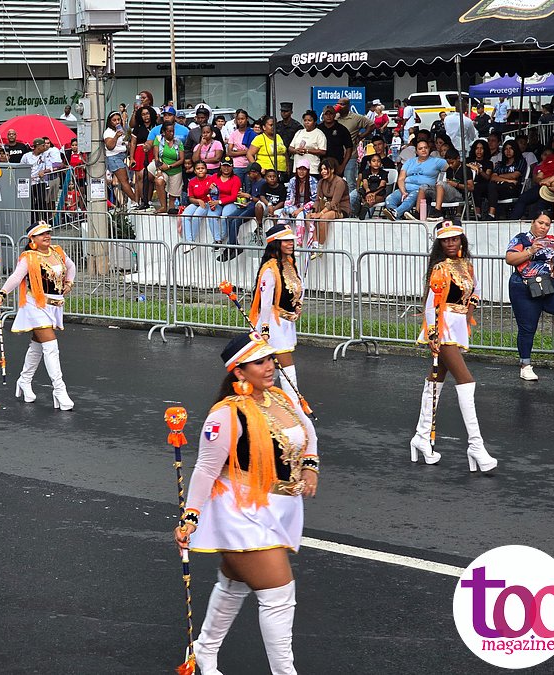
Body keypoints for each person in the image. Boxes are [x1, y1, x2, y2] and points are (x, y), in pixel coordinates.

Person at [174, 330, 318, 675]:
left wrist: (310, 466)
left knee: (233, 584)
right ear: (239, 371)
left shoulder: (280, 398)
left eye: (270, 359)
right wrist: (190, 517)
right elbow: (206, 469)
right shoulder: (226, 415)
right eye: (259, 362)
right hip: (241, 512)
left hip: (280, 508)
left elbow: (308, 432)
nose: (269, 367)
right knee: (278, 595)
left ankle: (204, 651)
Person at [412, 220, 497, 472]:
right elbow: (431, 305)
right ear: (440, 243)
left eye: (455, 238)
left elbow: (476, 292)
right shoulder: (440, 268)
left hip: (458, 325)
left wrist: (468, 314)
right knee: (466, 380)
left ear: (461, 240)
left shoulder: (467, 266)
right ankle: (476, 445)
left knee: (436, 379)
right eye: (446, 240)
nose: (451, 243)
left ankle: (421, 436)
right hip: (443, 327)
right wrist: (433, 335)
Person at [0, 222, 76, 410]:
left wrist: (69, 284)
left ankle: (24, 380)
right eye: (41, 234)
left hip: (55, 305)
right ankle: (59, 390)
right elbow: (16, 277)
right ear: (32, 239)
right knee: (51, 346)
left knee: (37, 345)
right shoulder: (29, 257)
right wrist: (2, 294)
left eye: (48, 233)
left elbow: (71, 267)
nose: (47, 236)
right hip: (35, 305)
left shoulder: (57, 251)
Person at [505, 213, 554, 381]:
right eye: (540, 223)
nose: (544, 227)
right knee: (527, 328)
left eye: (547, 224)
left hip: (548, 286)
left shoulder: (551, 240)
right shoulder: (522, 238)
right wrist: (531, 250)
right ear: (532, 222)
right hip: (524, 288)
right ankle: (525, 366)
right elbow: (509, 258)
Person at [249, 223, 303, 404]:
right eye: (286, 240)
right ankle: (294, 405)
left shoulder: (290, 264)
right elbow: (265, 302)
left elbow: (298, 288)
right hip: (273, 325)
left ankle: (260, 401)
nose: (290, 243)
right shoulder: (270, 269)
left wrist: (298, 304)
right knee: (287, 369)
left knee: (268, 368)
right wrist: (265, 330)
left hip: (286, 323)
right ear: (276, 243)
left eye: (291, 240)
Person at [383, 139, 446, 220]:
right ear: (416, 151)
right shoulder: (409, 162)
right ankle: (396, 218)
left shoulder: (437, 161)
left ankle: (396, 213)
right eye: (420, 148)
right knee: (389, 199)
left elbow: (452, 166)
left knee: (410, 198)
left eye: (425, 148)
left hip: (423, 190)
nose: (423, 150)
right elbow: (401, 178)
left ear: (429, 149)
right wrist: (403, 191)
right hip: (405, 188)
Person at [310, 159, 350, 253]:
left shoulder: (340, 182)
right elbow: (317, 200)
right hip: (325, 207)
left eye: (325, 169)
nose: (323, 172)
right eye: (321, 169)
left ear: (332, 170)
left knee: (323, 218)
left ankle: (320, 247)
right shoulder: (321, 182)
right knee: (308, 217)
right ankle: (315, 243)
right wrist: (313, 211)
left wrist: (320, 213)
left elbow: (334, 203)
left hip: (340, 209)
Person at [151, 122, 185, 215]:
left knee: (173, 196)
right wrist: (159, 170)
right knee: (159, 181)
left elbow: (182, 159)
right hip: (162, 168)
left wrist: (170, 166)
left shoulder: (178, 142)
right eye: (169, 131)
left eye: (172, 131)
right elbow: (156, 157)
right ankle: (163, 206)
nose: (171, 133)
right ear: (164, 132)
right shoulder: (158, 139)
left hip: (175, 170)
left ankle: (171, 208)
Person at [288, 110, 326, 178]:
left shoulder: (319, 134)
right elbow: (290, 148)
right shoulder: (299, 132)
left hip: (312, 169)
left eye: (309, 120)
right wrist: (295, 151)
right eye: (305, 120)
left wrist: (307, 151)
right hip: (297, 168)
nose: (307, 122)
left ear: (315, 122)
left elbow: (323, 151)